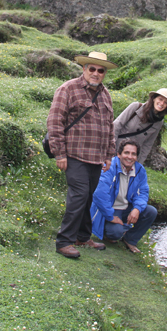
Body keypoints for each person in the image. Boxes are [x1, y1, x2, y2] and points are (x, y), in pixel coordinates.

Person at [47, 51, 117, 258]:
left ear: (104, 73)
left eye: (100, 70)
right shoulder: (67, 89)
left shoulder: (106, 95)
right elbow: (55, 121)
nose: (96, 73)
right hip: (74, 155)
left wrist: (109, 155)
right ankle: (64, 241)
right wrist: (60, 154)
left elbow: (109, 127)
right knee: (79, 195)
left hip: (96, 157)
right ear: (84, 69)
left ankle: (82, 237)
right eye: (92, 69)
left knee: (88, 196)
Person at [90, 139, 157, 253]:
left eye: (133, 154)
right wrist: (111, 216)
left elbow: (143, 193)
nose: (130, 157)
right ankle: (111, 230)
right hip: (109, 208)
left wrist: (136, 209)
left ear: (136, 157)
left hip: (126, 208)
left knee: (151, 212)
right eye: (126, 153)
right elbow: (99, 194)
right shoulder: (109, 166)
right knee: (115, 233)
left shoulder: (140, 170)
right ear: (119, 154)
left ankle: (130, 239)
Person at [113, 88, 167, 165]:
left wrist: (138, 164)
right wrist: (110, 150)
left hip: (131, 158)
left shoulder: (159, 122)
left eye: (165, 102)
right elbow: (116, 126)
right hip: (116, 150)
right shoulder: (136, 107)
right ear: (154, 98)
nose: (162, 103)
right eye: (160, 99)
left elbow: (148, 144)